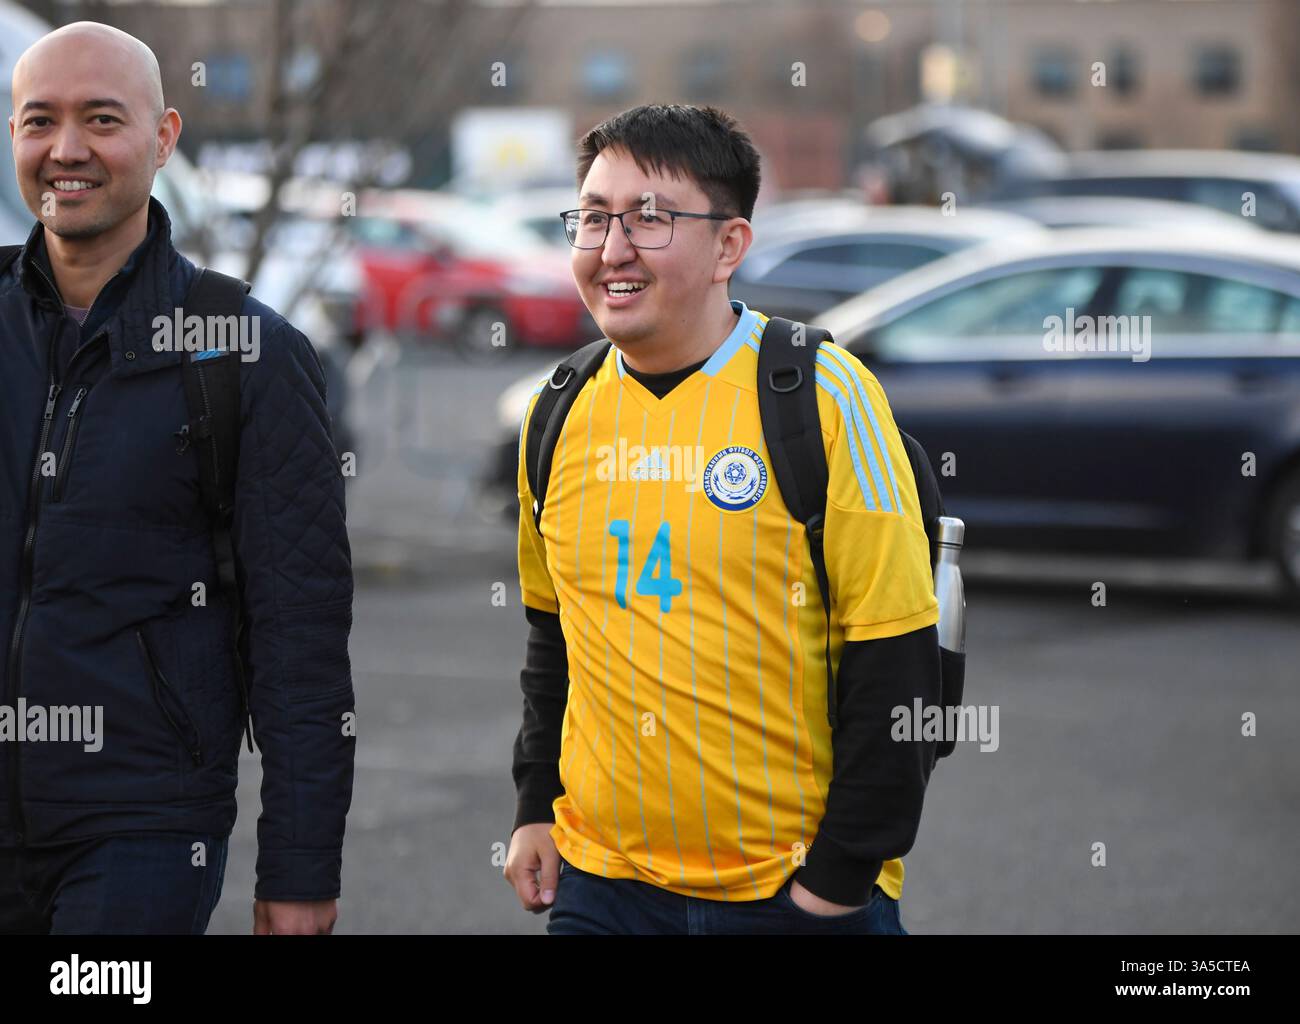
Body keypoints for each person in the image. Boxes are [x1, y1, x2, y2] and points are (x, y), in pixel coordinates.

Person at [503, 104, 942, 934]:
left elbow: (900, 661)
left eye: (650, 218)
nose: (612, 248)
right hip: (601, 889)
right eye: (593, 218)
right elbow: (552, 634)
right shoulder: (556, 411)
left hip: (793, 894)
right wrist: (536, 805)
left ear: (729, 247)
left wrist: (837, 883)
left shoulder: (824, 397)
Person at [0, 22, 355, 935]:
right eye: (39, 121)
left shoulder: (247, 355)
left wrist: (301, 868)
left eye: (101, 120)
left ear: (162, 139)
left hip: (142, 832)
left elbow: (300, 637)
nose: (65, 150)